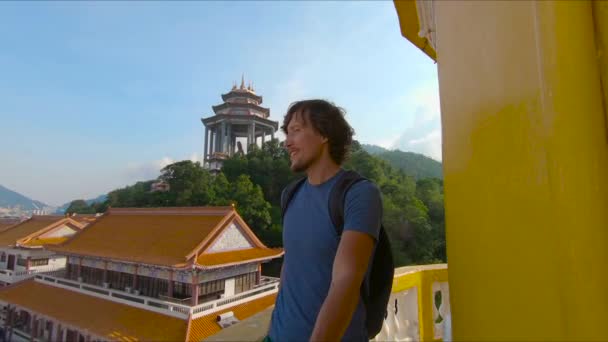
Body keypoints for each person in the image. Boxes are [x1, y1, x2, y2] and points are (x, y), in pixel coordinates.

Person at [268, 99, 383, 341]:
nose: (287, 142)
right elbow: (291, 266)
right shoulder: (290, 194)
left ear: (324, 134)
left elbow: (346, 281)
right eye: (287, 133)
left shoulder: (358, 194)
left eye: (296, 131)